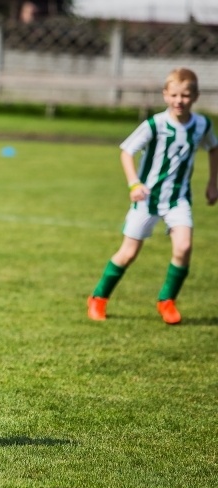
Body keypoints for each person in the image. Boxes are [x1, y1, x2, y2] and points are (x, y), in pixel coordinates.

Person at [87, 67, 218, 324]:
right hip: (146, 199)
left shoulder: (202, 124)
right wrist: (134, 184)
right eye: (174, 95)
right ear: (165, 95)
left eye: (185, 95)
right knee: (128, 254)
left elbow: (214, 148)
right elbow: (126, 151)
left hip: (178, 199)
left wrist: (214, 182)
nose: (179, 101)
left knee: (184, 246)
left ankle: (167, 300)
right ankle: (98, 298)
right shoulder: (154, 124)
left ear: (195, 96)